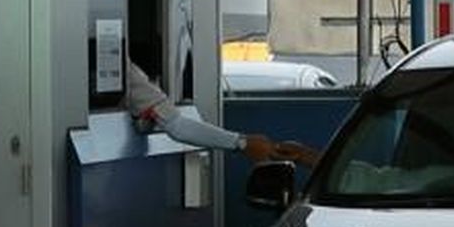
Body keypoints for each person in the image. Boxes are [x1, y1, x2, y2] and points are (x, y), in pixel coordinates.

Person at [125, 60, 320, 165]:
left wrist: (304, 155)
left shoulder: (120, 64)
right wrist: (241, 143)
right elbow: (176, 125)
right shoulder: (124, 69)